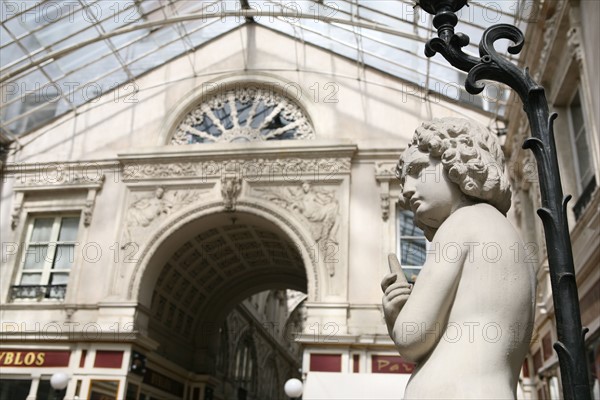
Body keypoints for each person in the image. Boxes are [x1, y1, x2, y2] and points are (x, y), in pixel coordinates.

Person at [381, 118, 536, 399]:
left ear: (458, 159)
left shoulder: (459, 224)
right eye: (404, 181)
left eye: (417, 171)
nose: (406, 189)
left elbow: (411, 336)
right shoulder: (508, 238)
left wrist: (395, 311)